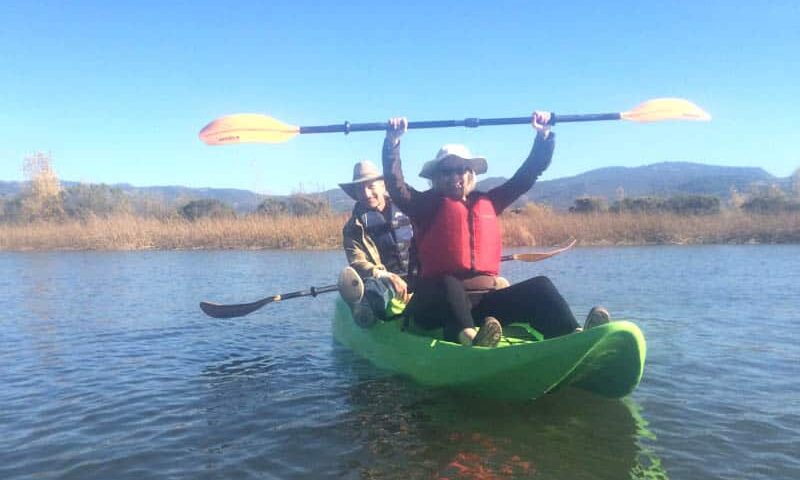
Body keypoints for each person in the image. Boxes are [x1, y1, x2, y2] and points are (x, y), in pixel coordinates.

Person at [381, 112, 609, 347]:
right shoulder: (424, 205)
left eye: (461, 170)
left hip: (484, 304)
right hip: (435, 306)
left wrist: (543, 136)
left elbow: (527, 176)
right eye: (446, 172)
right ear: (436, 177)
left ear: (471, 174)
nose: (454, 177)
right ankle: (471, 341)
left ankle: (575, 335)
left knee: (540, 287)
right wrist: (393, 142)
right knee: (448, 283)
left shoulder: (489, 201)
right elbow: (395, 185)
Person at [338, 160, 413, 326]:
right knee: (374, 289)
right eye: (360, 189)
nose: (366, 194)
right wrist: (385, 275)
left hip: (419, 275)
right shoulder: (353, 227)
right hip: (383, 280)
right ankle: (366, 311)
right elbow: (358, 262)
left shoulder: (409, 207)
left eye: (371, 186)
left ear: (383, 186)